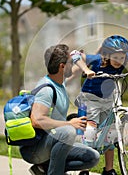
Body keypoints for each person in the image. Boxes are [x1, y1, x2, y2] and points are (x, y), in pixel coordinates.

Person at [70, 35, 128, 175]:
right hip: (91, 98)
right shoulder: (97, 60)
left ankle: (109, 170)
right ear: (107, 55)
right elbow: (75, 55)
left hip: (108, 99)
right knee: (90, 131)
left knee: (111, 133)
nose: (119, 61)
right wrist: (86, 70)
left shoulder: (124, 58)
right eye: (116, 57)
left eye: (122, 58)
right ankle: (84, 170)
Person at [20, 44, 100, 175]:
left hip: (52, 142)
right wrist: (69, 124)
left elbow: (77, 70)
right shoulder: (46, 89)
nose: (73, 63)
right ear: (62, 66)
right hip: (35, 150)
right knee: (68, 132)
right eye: (70, 62)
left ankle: (44, 169)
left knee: (92, 157)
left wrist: (93, 56)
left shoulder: (60, 82)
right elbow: (36, 120)